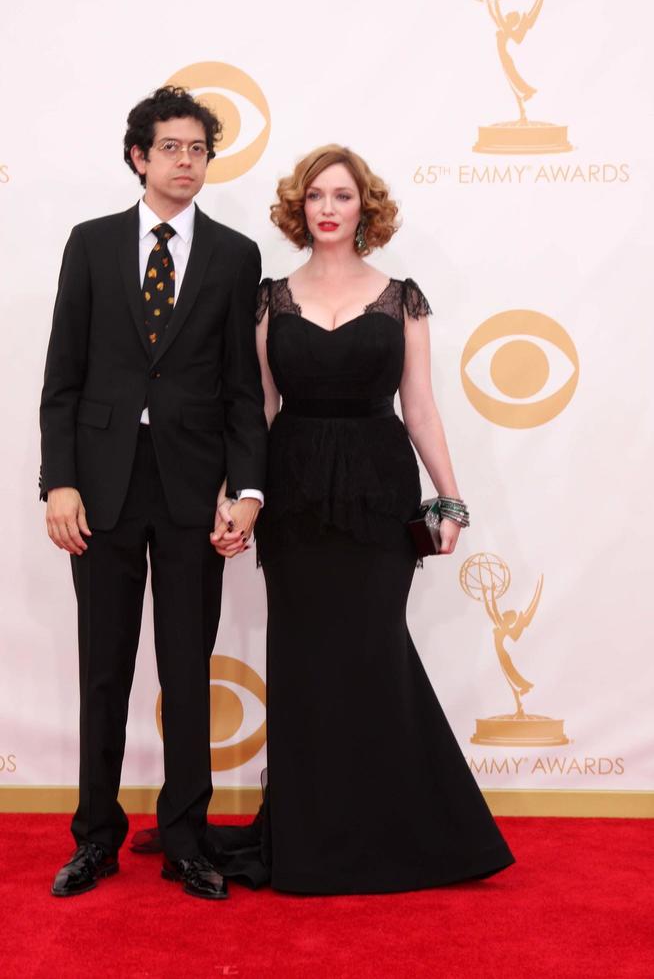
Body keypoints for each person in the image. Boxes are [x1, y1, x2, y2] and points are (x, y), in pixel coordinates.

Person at [134, 144, 514, 893]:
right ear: (299, 209)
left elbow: (422, 406)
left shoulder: (402, 297)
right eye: (316, 196)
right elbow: (260, 409)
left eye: (342, 195)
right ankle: (311, 834)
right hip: (296, 491)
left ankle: (394, 828)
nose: (329, 207)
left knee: (374, 657)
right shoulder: (270, 297)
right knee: (305, 667)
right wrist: (235, 492)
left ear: (364, 207)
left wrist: (449, 496)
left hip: (378, 492)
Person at [39, 86, 267, 900]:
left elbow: (244, 390)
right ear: (139, 157)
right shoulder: (92, 244)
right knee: (103, 668)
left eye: (198, 149)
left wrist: (245, 491)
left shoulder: (237, 256)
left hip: (190, 488)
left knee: (187, 669)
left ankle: (186, 839)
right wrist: (57, 481)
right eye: (170, 148)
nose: (185, 162)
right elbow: (62, 376)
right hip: (98, 488)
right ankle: (95, 837)